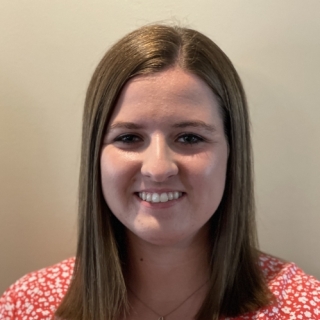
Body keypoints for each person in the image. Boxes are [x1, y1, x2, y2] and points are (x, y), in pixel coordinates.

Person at [0, 24, 319, 320]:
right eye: (128, 138)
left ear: (232, 154)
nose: (158, 168)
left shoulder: (302, 307)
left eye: (190, 137)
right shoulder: (27, 305)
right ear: (95, 155)